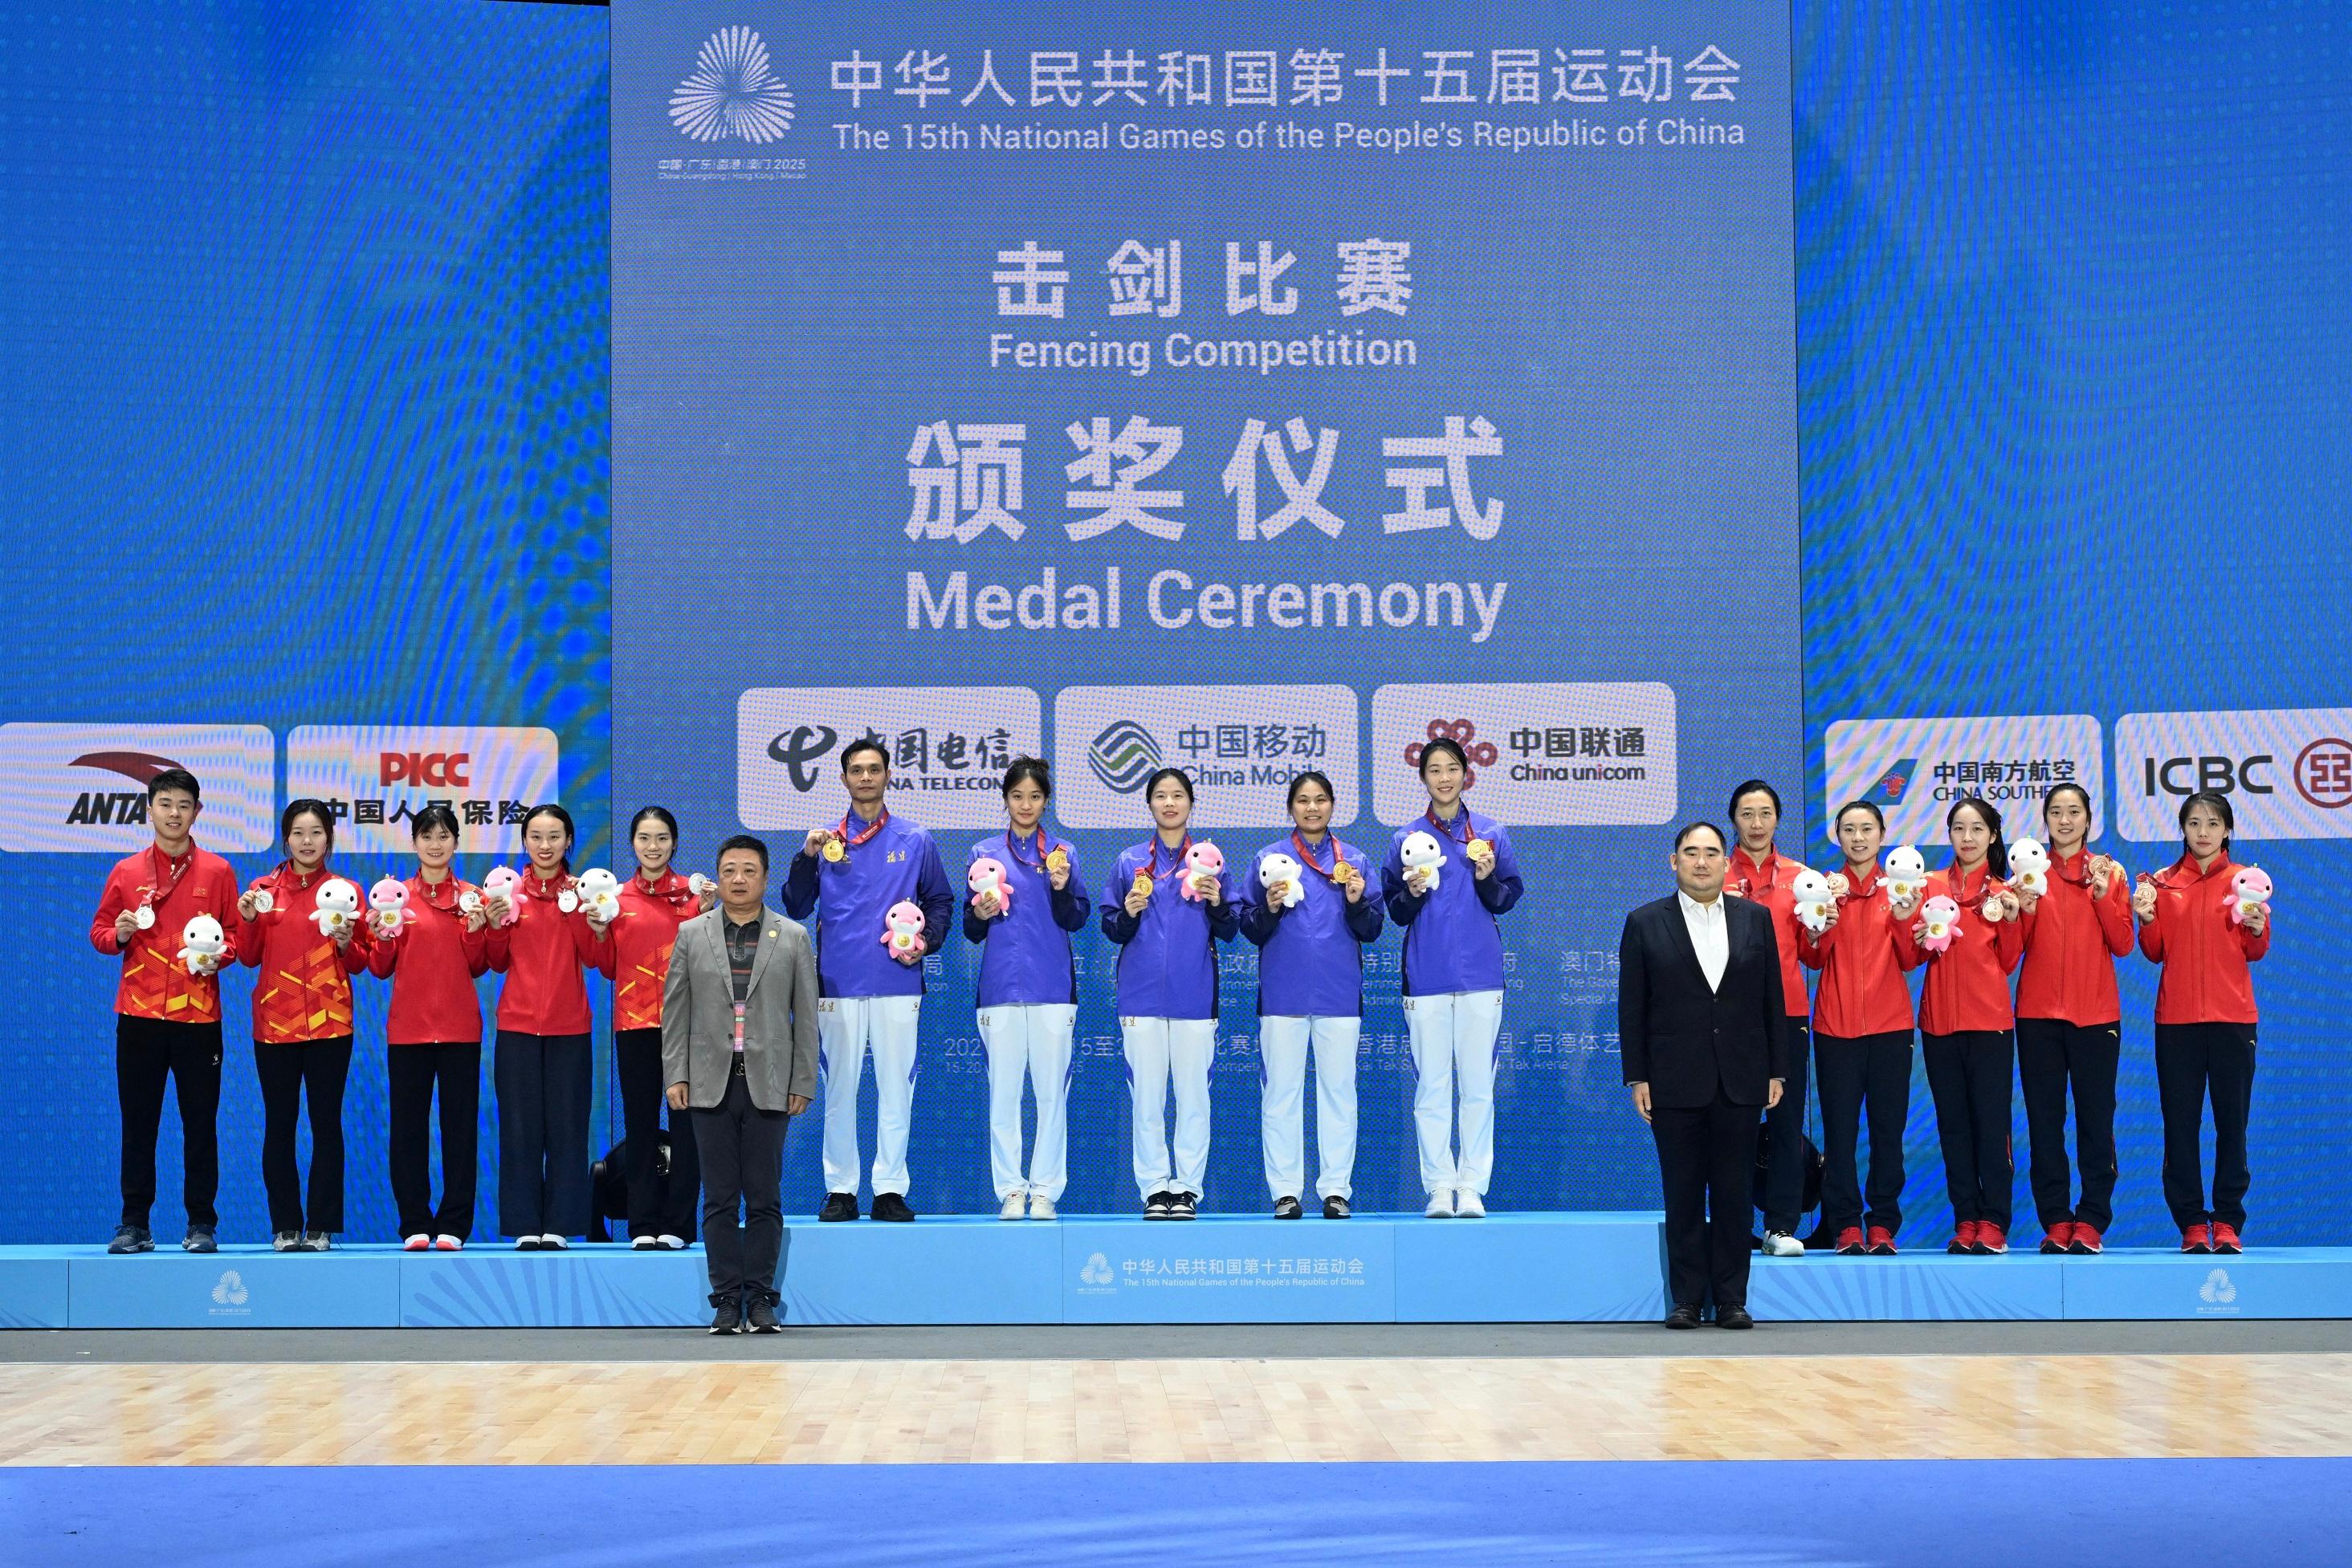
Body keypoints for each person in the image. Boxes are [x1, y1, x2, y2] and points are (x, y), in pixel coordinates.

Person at [1619, 822, 1791, 1330]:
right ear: (1673, 862)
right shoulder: (1646, 922)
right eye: (1690, 853)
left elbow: (1771, 1002)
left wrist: (1776, 1070)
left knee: (1736, 1193)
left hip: (1740, 1079)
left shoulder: (1754, 919)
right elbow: (1633, 1008)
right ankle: (1688, 1299)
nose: (1701, 862)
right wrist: (1638, 1077)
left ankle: (1733, 1299)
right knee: (1684, 1193)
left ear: (1725, 863)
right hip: (1674, 1080)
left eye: (1711, 853)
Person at [783, 738, 952, 1223]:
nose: (865, 777)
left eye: (874, 769)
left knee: (897, 1085)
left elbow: (940, 902)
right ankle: (840, 1189)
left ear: (887, 776)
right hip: (836, 983)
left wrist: (926, 942)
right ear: (843, 778)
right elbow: (796, 907)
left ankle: (890, 1189)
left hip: (898, 981)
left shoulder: (916, 839)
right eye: (856, 770)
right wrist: (806, 857)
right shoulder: (825, 842)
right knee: (840, 1089)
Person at [666, 834, 819, 1333]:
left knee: (765, 1197)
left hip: (771, 1082)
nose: (738, 879)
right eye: (729, 869)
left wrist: (802, 1079)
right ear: (718, 873)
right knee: (718, 1197)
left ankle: (762, 1300)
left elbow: (806, 1019)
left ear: (765, 878)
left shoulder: (792, 936)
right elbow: (675, 1013)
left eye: (749, 870)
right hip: (709, 1083)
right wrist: (677, 1074)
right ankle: (727, 1301)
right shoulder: (691, 933)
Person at [88, 766, 240, 1254]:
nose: (175, 814)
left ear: (198, 812)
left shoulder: (217, 871)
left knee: (201, 1122)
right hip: (139, 1015)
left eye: (184, 805)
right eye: (166, 804)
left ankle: (201, 1224)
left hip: (199, 1019)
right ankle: (134, 1223)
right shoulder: (127, 872)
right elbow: (100, 933)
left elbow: (236, 936)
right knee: (139, 1122)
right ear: (149, 810)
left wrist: (222, 954)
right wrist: (122, 935)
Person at [1381, 735, 1524, 1218]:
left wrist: (1486, 876)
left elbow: (1507, 897)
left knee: (1478, 1085)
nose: (1444, 778)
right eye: (1434, 770)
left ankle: (1472, 1186)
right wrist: (1414, 892)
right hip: (1426, 975)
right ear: (1423, 779)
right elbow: (1396, 912)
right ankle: (1440, 1185)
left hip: (1482, 975)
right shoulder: (1404, 839)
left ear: (1467, 774)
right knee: (1432, 1086)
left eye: (1452, 768)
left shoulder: (1489, 833)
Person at [1239, 772, 1382, 1219]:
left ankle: (1336, 1189)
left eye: (1321, 799)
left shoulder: (1353, 860)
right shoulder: (1269, 859)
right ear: (1291, 807)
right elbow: (1247, 926)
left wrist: (1357, 900)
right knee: (1280, 1093)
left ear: (1333, 805)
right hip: (1282, 995)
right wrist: (1271, 907)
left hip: (1339, 995)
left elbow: (1373, 928)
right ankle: (1285, 1191)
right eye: (1303, 800)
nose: (1312, 808)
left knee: (1339, 1092)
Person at [1099, 767, 1237, 1219]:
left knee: (1195, 1096)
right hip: (1140, 999)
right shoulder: (1130, 863)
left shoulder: (1210, 860)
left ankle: (1187, 1188)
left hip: (1195, 996)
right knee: (1148, 1098)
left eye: (1178, 795)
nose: (1170, 803)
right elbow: (1111, 927)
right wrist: (1129, 912)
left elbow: (1232, 927)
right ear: (1150, 804)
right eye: (1161, 796)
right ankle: (1155, 1187)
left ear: (1191, 803)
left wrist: (1216, 901)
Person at [233, 799, 371, 1252]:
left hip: (331, 1025)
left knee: (326, 1123)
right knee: (280, 1124)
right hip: (275, 1024)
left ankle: (322, 1225)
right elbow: (249, 956)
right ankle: (285, 1225)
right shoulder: (262, 891)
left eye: (315, 832)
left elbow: (363, 961)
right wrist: (249, 921)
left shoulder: (347, 891)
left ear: (329, 838)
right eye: (298, 832)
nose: (307, 841)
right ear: (285, 837)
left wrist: (350, 942)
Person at [2137, 790, 2269, 1254]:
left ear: (2227, 830)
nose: (2204, 832)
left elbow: (2256, 950)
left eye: (2213, 823)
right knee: (2181, 1125)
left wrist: (2257, 927)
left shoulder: (2246, 881)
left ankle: (2228, 1220)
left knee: (2232, 1124)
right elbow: (2153, 952)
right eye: (2194, 823)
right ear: (2183, 829)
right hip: (2176, 1022)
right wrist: (2147, 918)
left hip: (2234, 1019)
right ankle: (2193, 1221)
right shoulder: (2163, 882)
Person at [964, 759, 1089, 1221]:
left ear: (1046, 801)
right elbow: (971, 928)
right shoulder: (984, 852)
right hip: (999, 988)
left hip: (1053, 987)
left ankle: (1045, 1190)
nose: (1026, 805)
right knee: (1004, 1093)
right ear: (1006, 800)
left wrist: (1060, 887)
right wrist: (981, 911)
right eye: (1017, 796)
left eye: (1035, 796)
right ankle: (1011, 1189)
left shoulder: (1063, 853)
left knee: (1051, 1093)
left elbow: (1077, 917)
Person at [486, 803, 614, 1250]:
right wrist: (496, 923)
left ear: (569, 842)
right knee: (519, 1128)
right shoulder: (506, 891)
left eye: (554, 836)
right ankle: (525, 1223)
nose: (545, 845)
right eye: (536, 837)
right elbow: (495, 961)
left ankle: (560, 1223)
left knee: (567, 1127)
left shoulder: (582, 893)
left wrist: (594, 925)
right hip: (517, 1027)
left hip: (570, 1027)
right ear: (524, 842)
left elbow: (599, 962)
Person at [2014, 784, 2135, 1254]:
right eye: (2056, 812)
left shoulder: (2110, 872)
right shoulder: (2028, 870)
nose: (2065, 820)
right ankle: (2057, 1219)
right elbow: (2013, 948)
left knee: (2095, 1120)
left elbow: (2124, 944)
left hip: (2096, 1016)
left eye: (2074, 812)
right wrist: (2020, 908)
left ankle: (2091, 1219)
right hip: (2037, 1016)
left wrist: (2104, 896)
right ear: (2045, 820)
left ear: (2088, 819)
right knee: (2044, 1122)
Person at [366, 802, 489, 1250]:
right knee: (408, 1132)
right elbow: (380, 968)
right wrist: (379, 940)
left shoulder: (473, 897)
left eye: (444, 836)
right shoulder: (393, 897)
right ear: (414, 842)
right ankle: (414, 1222)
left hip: (460, 1031)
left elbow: (481, 965)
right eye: (426, 836)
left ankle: (454, 1225)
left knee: (460, 1131)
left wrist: (477, 931)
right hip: (409, 1031)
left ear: (457, 842)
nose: (435, 845)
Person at [1800, 800, 1920, 1255]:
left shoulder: (1903, 891)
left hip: (1891, 1029)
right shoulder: (1823, 890)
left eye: (1867, 828)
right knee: (1840, 1134)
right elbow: (1811, 957)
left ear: (1883, 833)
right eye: (1849, 829)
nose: (1858, 837)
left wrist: (1907, 917)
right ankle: (1846, 1224)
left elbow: (1912, 959)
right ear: (1838, 836)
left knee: (1888, 1133)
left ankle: (1882, 1223)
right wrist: (1820, 922)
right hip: (1835, 1029)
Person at [1913, 796, 2024, 1255]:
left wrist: (2015, 920)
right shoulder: (1928, 886)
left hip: (1991, 1024)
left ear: (1993, 836)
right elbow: (1912, 954)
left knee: (1991, 1124)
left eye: (1978, 829)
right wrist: (1913, 934)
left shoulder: (2005, 892)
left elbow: (2010, 960)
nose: (1968, 837)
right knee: (1953, 1127)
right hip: (1939, 1024)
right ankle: (1966, 1219)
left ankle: (1994, 1221)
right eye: (1959, 829)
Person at [602, 807, 715, 1249]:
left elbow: (709, 961)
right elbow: (605, 966)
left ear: (674, 842)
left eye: (662, 838)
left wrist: (706, 914)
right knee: (641, 1124)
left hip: (688, 1026)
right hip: (634, 1024)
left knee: (686, 1126)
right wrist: (595, 930)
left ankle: (679, 1225)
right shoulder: (615, 900)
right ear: (632, 843)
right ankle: (642, 1223)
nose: (653, 846)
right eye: (645, 838)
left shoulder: (696, 896)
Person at [1724, 780, 1816, 1257]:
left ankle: (1781, 1225)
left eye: (1765, 814)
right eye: (1746, 814)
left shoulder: (1803, 878)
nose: (1756, 824)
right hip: (1729, 1020)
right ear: (1733, 819)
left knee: (1785, 1123)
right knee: (1733, 1124)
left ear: (1778, 819)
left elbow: (1813, 956)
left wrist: (1821, 931)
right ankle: (1735, 1224)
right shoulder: (1712, 873)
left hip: (1788, 1015)